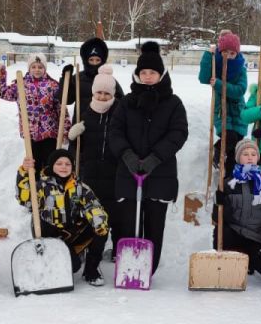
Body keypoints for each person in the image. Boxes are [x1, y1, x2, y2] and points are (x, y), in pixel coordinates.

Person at [108, 41, 188, 276]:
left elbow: (178, 133)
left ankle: (147, 269)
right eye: (143, 72)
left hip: (159, 173)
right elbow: (115, 131)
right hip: (129, 171)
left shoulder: (173, 104)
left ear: (161, 74)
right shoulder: (126, 102)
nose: (147, 76)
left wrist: (155, 157)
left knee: (154, 224)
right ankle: (128, 268)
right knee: (128, 222)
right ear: (137, 74)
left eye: (152, 72)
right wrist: (127, 155)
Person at [17, 149, 111, 285]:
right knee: (73, 266)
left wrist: (99, 223)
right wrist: (24, 172)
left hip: (70, 232)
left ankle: (91, 270)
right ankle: (55, 258)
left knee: (101, 228)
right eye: (59, 163)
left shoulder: (79, 187)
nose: (63, 167)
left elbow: (93, 206)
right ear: (51, 166)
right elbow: (24, 199)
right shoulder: (41, 186)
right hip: (49, 233)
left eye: (67, 164)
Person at [66, 64, 121, 261]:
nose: (103, 96)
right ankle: (87, 247)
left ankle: (116, 250)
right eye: (99, 92)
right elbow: (76, 148)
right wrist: (73, 136)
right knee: (88, 212)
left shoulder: (118, 112)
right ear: (93, 92)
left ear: (113, 93)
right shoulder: (85, 112)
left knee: (114, 215)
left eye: (107, 93)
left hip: (112, 172)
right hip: (89, 172)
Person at [213, 139, 261, 278]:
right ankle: (236, 257)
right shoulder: (228, 184)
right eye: (245, 154)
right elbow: (218, 219)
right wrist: (219, 203)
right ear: (238, 158)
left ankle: (248, 260)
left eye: (253, 154)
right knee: (224, 232)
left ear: (258, 158)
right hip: (234, 235)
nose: (250, 157)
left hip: (257, 238)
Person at [0, 53, 70, 167]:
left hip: (50, 133)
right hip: (30, 133)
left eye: (40, 67)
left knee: (50, 162)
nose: (37, 70)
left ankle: (49, 183)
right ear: (29, 68)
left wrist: (65, 130)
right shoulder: (21, 84)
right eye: (33, 67)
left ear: (45, 68)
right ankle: (35, 182)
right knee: (34, 163)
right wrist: (0, 74)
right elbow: (2, 92)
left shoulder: (53, 85)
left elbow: (61, 110)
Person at [198, 30, 248, 173]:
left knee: (237, 143)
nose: (229, 56)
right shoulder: (215, 64)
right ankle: (218, 149)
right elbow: (203, 78)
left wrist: (219, 84)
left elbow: (239, 90)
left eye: (232, 53)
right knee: (229, 136)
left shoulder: (240, 69)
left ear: (237, 53)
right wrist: (208, 55)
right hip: (221, 111)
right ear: (220, 51)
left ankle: (228, 177)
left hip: (238, 111)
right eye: (225, 52)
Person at [60, 36, 124, 118]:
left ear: (103, 61)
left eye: (97, 60)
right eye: (91, 60)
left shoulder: (109, 80)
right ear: (86, 60)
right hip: (80, 125)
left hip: (103, 125)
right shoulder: (78, 78)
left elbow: (121, 103)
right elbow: (66, 100)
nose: (94, 63)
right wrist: (66, 80)